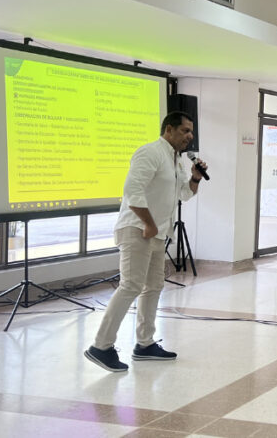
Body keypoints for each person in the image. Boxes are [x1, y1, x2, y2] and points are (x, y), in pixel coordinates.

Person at [84, 111, 205, 373]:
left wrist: (195, 177)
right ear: (169, 130)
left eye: (191, 132)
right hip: (137, 229)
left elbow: (185, 194)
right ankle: (101, 346)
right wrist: (149, 224)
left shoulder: (175, 161)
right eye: (185, 131)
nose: (189, 137)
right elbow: (132, 191)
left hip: (157, 232)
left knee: (153, 286)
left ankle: (145, 343)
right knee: (131, 286)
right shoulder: (150, 152)